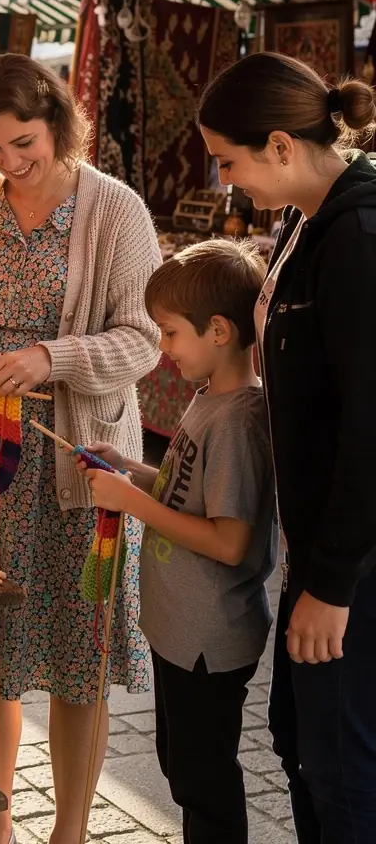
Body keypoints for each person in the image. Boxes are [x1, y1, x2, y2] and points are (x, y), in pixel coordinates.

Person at [0, 53, 160, 844]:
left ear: (56, 121)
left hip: (76, 465)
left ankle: (71, 832)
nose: (10, 162)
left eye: (24, 143)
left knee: (78, 654)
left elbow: (144, 338)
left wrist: (54, 357)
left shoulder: (115, 210)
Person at [197, 52, 376, 842]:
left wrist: (331, 584)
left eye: (229, 161)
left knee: (341, 770)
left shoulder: (358, 237)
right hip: (322, 546)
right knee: (304, 747)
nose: (227, 181)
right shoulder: (307, 219)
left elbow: (370, 429)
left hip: (356, 565)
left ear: (279, 145)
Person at [78, 238, 276, 844]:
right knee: (182, 768)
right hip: (183, 633)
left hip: (209, 641)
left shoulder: (238, 420)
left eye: (169, 333)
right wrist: (130, 470)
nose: (163, 349)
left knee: (203, 782)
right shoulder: (209, 396)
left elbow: (230, 542)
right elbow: (183, 491)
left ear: (218, 330)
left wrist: (132, 503)